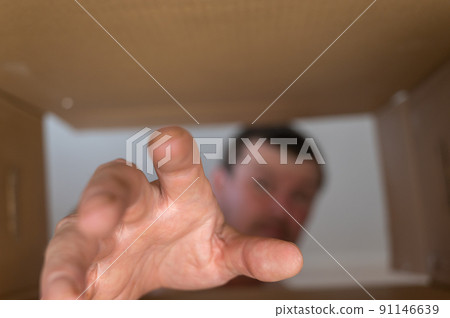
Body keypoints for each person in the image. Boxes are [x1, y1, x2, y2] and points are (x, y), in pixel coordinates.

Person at [40, 125, 323, 299]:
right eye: (262, 184)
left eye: (300, 195)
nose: (280, 207)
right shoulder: (149, 286)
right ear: (221, 184)